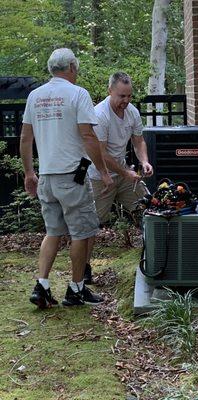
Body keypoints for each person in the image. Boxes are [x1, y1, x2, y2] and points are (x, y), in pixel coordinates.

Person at [20, 48, 113, 308]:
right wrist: (104, 171)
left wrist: (29, 173)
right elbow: (88, 136)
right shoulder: (78, 94)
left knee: (52, 232)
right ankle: (76, 289)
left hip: (47, 176)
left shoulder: (35, 96)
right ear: (72, 67)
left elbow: (26, 138)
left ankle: (42, 285)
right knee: (80, 233)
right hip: (74, 175)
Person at [85, 71, 153, 283]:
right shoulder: (100, 115)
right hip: (98, 175)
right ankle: (83, 270)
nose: (126, 101)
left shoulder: (132, 112)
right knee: (91, 224)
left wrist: (144, 161)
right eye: (121, 96)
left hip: (123, 173)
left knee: (148, 208)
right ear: (110, 91)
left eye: (129, 96)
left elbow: (139, 141)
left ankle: (154, 256)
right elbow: (102, 154)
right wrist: (125, 172)